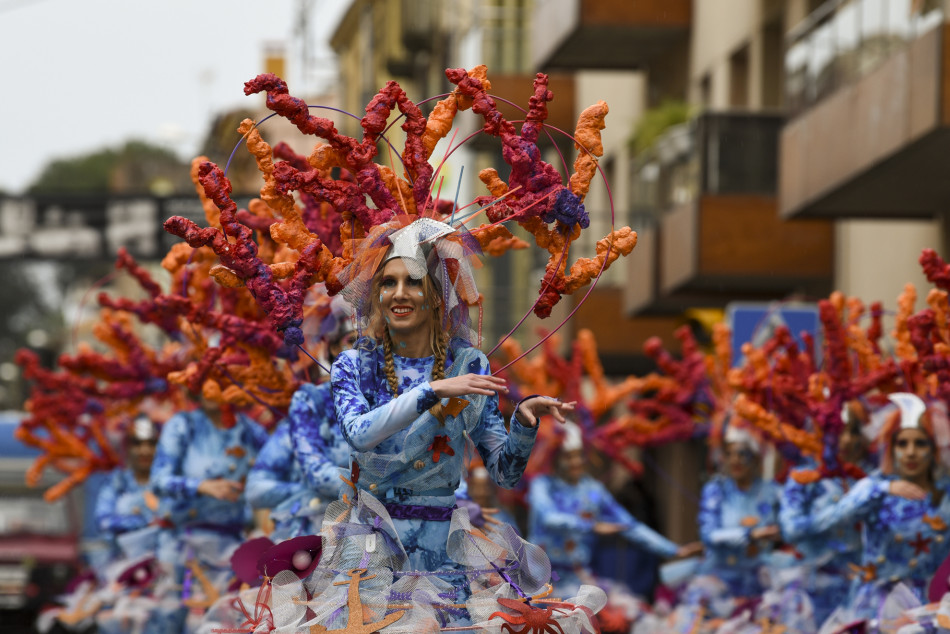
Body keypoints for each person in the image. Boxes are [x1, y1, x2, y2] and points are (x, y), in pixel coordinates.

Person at [806, 393, 950, 622]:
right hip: (878, 605)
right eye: (902, 443)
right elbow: (826, 522)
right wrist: (881, 490)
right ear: (891, 448)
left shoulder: (945, 493)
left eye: (920, 443)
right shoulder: (875, 487)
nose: (911, 452)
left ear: (934, 449)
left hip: (931, 605)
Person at [528, 421, 700, 598]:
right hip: (538, 578)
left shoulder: (593, 491)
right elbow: (548, 518)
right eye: (567, 456)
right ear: (554, 458)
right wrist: (591, 525)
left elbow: (629, 525)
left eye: (578, 455)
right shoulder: (542, 485)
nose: (575, 462)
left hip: (576, 577)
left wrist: (672, 549)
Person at [149, 399, 267, 632]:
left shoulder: (250, 431)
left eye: (223, 382)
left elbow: (275, 473)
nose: (215, 389)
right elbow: (158, 480)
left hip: (230, 546)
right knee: (170, 619)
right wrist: (201, 486)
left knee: (224, 622)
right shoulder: (184, 425)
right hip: (182, 543)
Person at [779, 400, 872, 625]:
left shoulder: (868, 479)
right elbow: (790, 529)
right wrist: (841, 510)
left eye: (853, 432)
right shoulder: (804, 478)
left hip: (860, 591)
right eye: (839, 432)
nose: (847, 440)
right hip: (813, 592)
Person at [695, 424, 781, 601]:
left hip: (761, 580)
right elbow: (708, 535)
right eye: (729, 454)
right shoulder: (716, 490)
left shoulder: (771, 491)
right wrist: (749, 535)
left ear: (756, 458)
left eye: (742, 454)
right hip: (720, 581)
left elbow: (786, 529)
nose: (735, 460)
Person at [94, 415, 161, 563]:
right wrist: (144, 522)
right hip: (122, 564)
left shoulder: (169, 483)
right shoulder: (118, 482)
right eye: (137, 443)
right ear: (128, 447)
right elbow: (103, 521)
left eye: (151, 444)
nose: (145, 451)